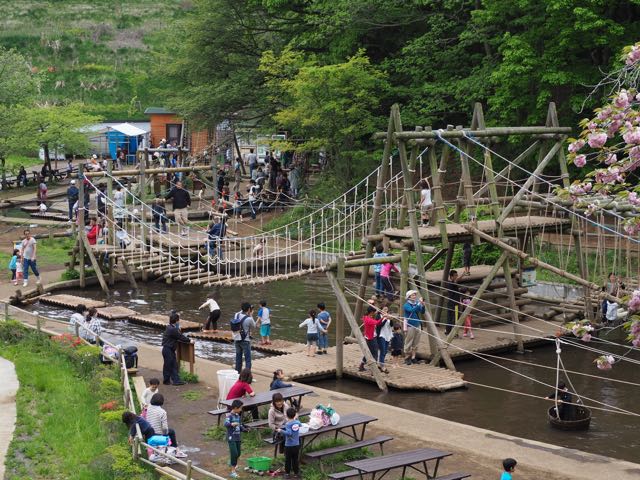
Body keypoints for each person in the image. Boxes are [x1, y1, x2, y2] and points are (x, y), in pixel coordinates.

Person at [146, 393, 187, 458]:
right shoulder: (162, 412)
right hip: (157, 434)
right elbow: (165, 428)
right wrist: (165, 436)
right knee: (171, 432)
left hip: (149, 433)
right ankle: (176, 449)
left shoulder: (148, 407)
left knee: (169, 432)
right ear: (162, 402)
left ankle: (174, 447)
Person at [161, 311, 192, 385]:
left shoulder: (169, 327)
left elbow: (177, 335)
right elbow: (180, 337)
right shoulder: (173, 329)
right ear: (176, 321)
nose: (179, 321)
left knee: (169, 365)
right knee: (172, 365)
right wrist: (190, 340)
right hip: (168, 349)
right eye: (178, 320)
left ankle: (168, 380)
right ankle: (175, 381)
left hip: (167, 349)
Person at [225, 399, 249, 479]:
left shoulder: (238, 416)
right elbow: (226, 424)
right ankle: (233, 471)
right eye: (240, 408)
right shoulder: (229, 415)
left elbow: (240, 425)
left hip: (238, 437)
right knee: (234, 453)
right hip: (231, 438)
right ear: (235, 408)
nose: (241, 409)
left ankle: (232, 462)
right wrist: (232, 424)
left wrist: (245, 429)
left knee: (238, 453)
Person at [231, 302, 256, 373]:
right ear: (249, 309)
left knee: (238, 358)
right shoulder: (249, 319)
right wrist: (251, 315)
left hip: (236, 339)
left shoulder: (236, 314)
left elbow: (240, 312)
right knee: (248, 360)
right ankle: (247, 376)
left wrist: (246, 310)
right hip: (245, 341)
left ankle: (237, 374)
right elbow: (254, 326)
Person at [403, 290, 425, 365]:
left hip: (417, 324)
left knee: (416, 342)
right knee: (409, 341)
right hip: (410, 325)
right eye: (413, 295)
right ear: (409, 297)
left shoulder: (416, 304)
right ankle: (407, 358)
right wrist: (419, 304)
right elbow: (411, 310)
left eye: (415, 295)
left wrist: (423, 305)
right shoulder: (406, 305)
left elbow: (422, 312)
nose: (414, 296)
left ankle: (413, 357)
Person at [359, 305, 382, 372]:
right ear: (371, 312)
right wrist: (384, 317)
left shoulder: (366, 317)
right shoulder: (368, 319)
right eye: (374, 312)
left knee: (369, 353)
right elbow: (377, 323)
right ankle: (374, 369)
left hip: (369, 337)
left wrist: (378, 311)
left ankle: (361, 365)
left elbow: (374, 319)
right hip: (371, 338)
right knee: (375, 353)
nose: (375, 313)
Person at [281, 407, 301, 478]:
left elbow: (289, 433)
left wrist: (280, 431)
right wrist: (296, 418)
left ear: (286, 416)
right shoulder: (297, 422)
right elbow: (300, 425)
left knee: (288, 460)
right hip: (296, 445)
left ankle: (287, 474)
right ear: (295, 415)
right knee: (295, 459)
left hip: (289, 445)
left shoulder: (288, 424)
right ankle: (296, 473)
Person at [444, 270, 461, 335]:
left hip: (452, 303)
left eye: (457, 275)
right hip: (454, 304)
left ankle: (447, 331)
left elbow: (456, 282)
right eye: (455, 275)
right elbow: (456, 282)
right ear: (451, 277)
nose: (457, 277)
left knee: (450, 318)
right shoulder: (451, 283)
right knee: (454, 318)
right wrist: (463, 275)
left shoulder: (452, 283)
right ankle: (453, 333)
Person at [377, 306, 393, 371]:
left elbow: (391, 325)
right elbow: (380, 325)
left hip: (387, 335)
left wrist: (391, 319)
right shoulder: (379, 316)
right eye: (384, 309)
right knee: (382, 350)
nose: (386, 310)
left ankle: (380, 363)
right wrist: (385, 318)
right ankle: (382, 365)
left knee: (385, 351)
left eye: (387, 309)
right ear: (381, 310)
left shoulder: (388, 316)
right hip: (381, 335)